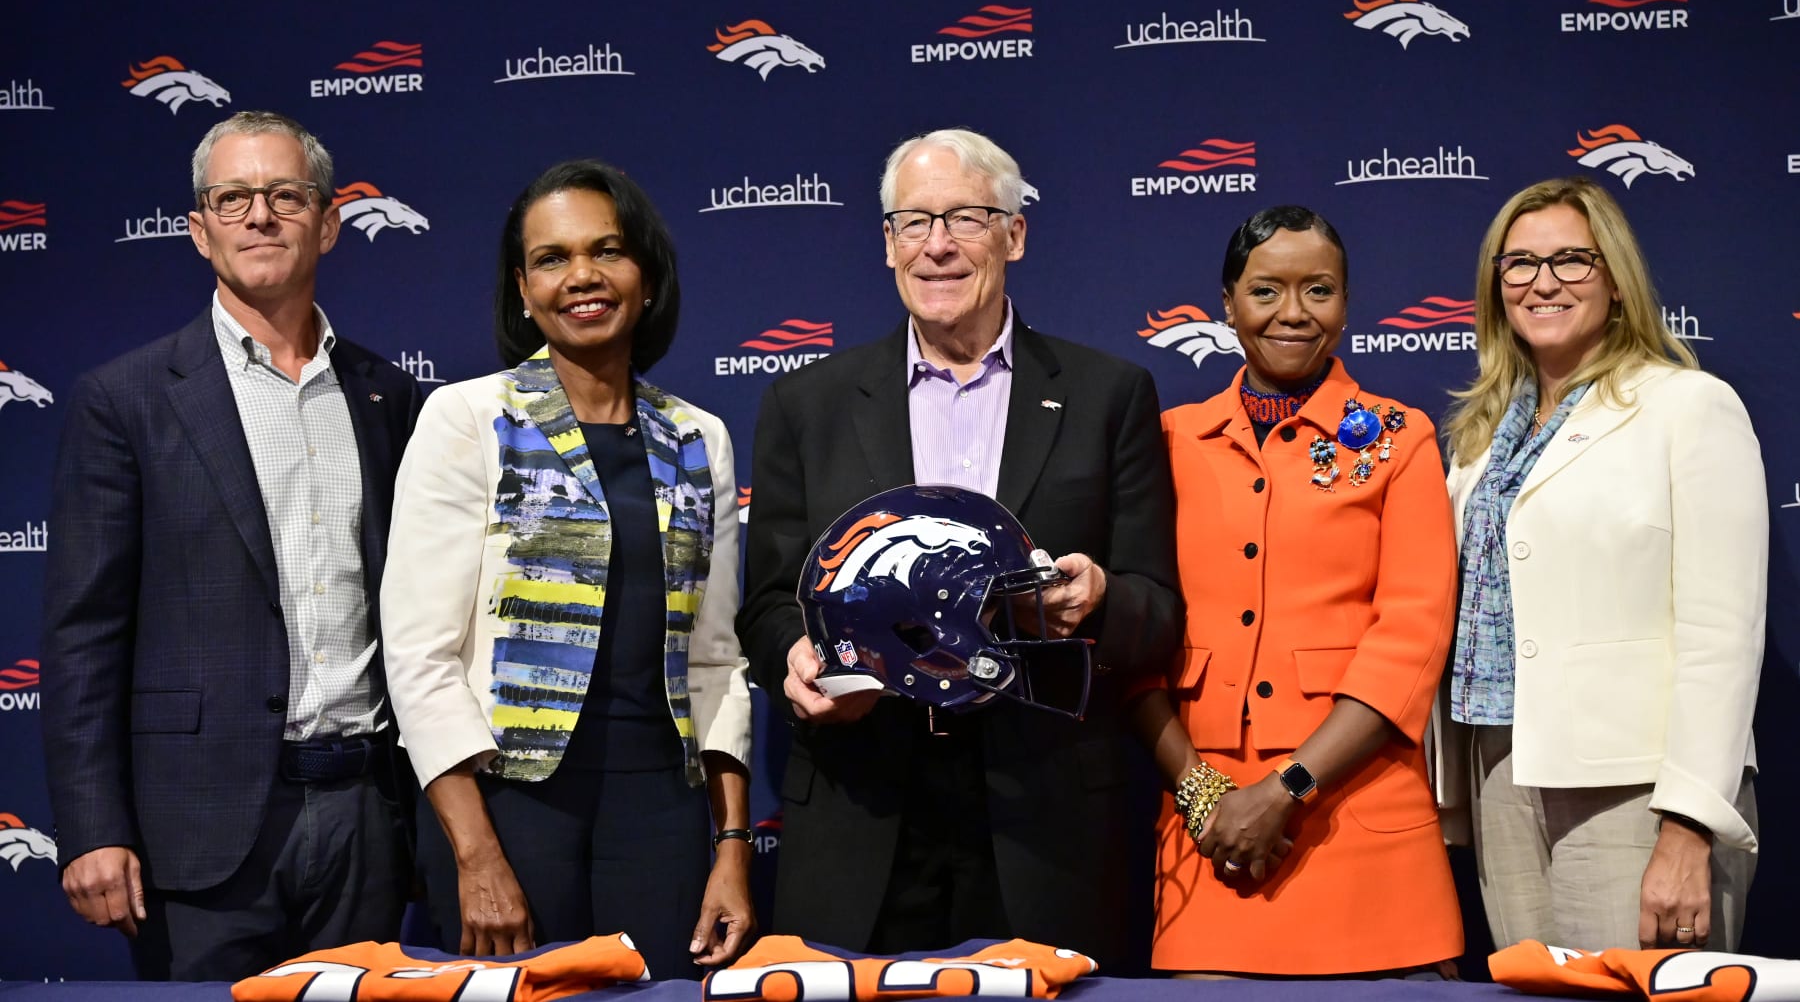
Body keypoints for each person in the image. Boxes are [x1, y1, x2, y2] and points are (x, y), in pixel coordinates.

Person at [736, 128, 1180, 970]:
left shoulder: (1106, 395)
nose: (937, 245)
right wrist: (798, 658)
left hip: (1042, 820)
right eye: (913, 222)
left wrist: (1097, 601)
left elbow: (1156, 610)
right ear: (887, 245)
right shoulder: (808, 404)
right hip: (861, 809)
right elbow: (765, 604)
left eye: (965, 218)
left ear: (1014, 234)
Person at [41, 110, 422, 980]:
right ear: (199, 230)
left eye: (285, 195)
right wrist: (94, 827)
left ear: (328, 222)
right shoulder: (126, 400)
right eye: (233, 197)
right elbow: (83, 633)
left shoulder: (387, 396)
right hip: (200, 828)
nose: (260, 215)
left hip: (367, 818)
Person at [380, 160, 753, 980]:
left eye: (607, 251)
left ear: (645, 277)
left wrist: (731, 846)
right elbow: (418, 657)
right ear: (522, 288)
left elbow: (718, 660)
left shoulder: (700, 438)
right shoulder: (468, 419)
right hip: (508, 807)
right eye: (551, 258)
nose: (581, 276)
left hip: (662, 808)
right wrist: (475, 854)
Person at [1436, 177, 1765, 952]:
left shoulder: (1689, 406)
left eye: (1570, 261)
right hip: (1502, 774)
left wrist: (1688, 826)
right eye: (1518, 264)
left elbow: (1723, 634)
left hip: (1637, 791)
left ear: (1615, 281)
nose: (1542, 283)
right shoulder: (1480, 438)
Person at [1140, 205, 1462, 976]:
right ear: (1227, 303)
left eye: (1318, 290)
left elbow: (1412, 634)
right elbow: (1137, 630)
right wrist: (1199, 789)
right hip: (1207, 825)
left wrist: (1286, 788)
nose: (1293, 313)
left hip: (1362, 812)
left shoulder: (1398, 435)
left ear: (1347, 304)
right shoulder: (1169, 440)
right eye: (1265, 291)